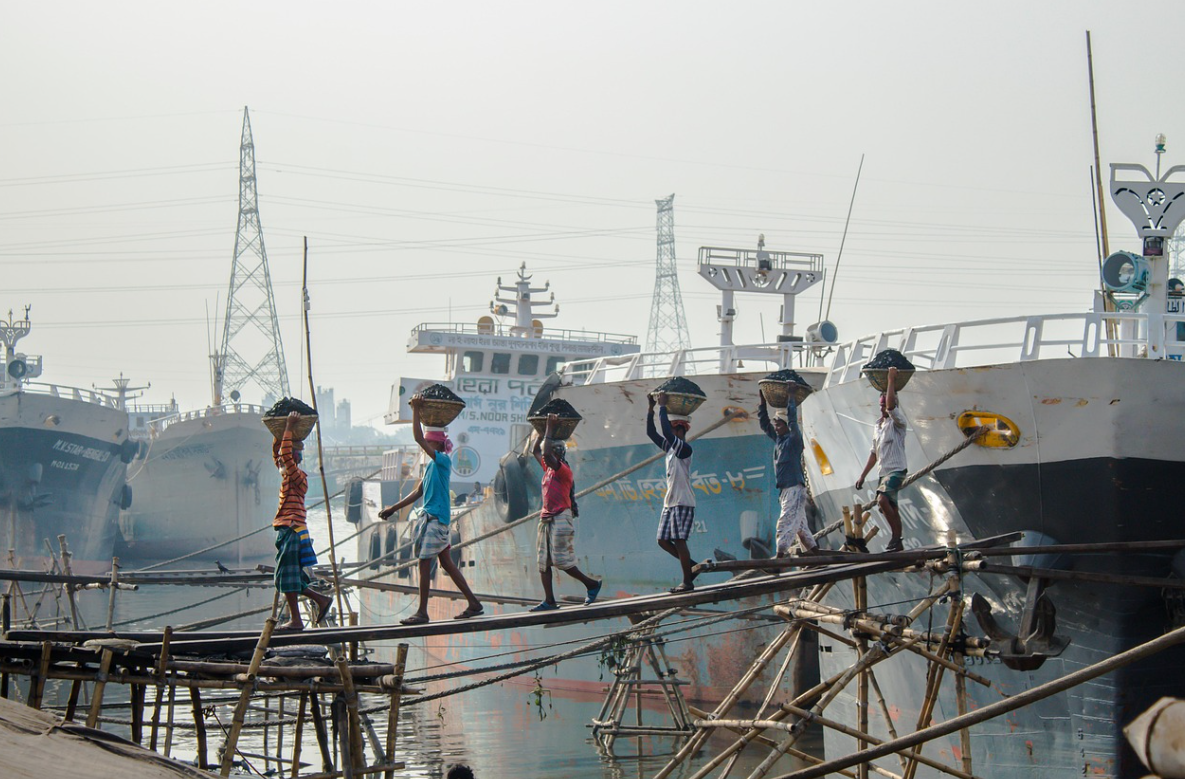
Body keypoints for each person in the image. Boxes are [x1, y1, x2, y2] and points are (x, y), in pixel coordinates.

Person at [378, 394, 482, 624]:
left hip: (436, 520)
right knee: (446, 563)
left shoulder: (443, 460)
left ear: (434, 444)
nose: (425, 445)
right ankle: (474, 603)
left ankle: (422, 612)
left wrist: (415, 410)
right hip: (433, 519)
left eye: (428, 442)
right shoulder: (430, 468)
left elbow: (417, 437)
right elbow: (418, 493)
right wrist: (392, 509)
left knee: (425, 563)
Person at [528, 413, 603, 612]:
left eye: (552, 451)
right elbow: (536, 450)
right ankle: (549, 601)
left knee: (561, 561)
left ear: (558, 454)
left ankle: (591, 584)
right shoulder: (549, 469)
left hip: (561, 516)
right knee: (543, 562)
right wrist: (542, 430)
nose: (548, 455)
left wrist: (550, 429)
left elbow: (543, 453)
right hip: (546, 519)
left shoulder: (563, 470)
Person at [271, 411, 333, 631]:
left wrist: (288, 426)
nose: (282, 458)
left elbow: (285, 456)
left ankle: (296, 620)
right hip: (288, 529)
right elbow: (280, 455)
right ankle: (321, 600)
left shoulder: (299, 477)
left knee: (286, 576)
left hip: (293, 529)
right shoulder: (287, 474)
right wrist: (278, 433)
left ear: (295, 458)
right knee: (288, 576)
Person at [646, 391, 697, 592]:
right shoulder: (670, 449)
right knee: (662, 540)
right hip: (671, 502)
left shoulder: (685, 449)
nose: (673, 432)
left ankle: (688, 581)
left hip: (683, 501)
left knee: (679, 540)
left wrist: (663, 407)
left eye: (676, 429)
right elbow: (652, 433)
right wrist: (651, 408)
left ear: (682, 431)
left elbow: (666, 433)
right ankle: (691, 566)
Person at [758, 391, 818, 556]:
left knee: (784, 523)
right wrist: (762, 403)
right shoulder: (779, 441)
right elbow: (764, 425)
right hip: (784, 491)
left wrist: (791, 398)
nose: (776, 428)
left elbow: (792, 421)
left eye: (779, 425)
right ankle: (816, 554)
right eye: (775, 425)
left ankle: (780, 557)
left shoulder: (793, 441)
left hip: (795, 489)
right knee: (801, 528)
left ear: (786, 426)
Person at [854, 366, 908, 553]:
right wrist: (862, 476)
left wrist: (891, 379)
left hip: (896, 470)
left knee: (883, 500)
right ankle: (898, 542)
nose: (883, 408)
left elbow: (892, 407)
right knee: (891, 505)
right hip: (883, 472)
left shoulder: (898, 422)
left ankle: (895, 537)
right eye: (881, 405)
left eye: (884, 404)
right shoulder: (878, 426)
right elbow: (874, 454)